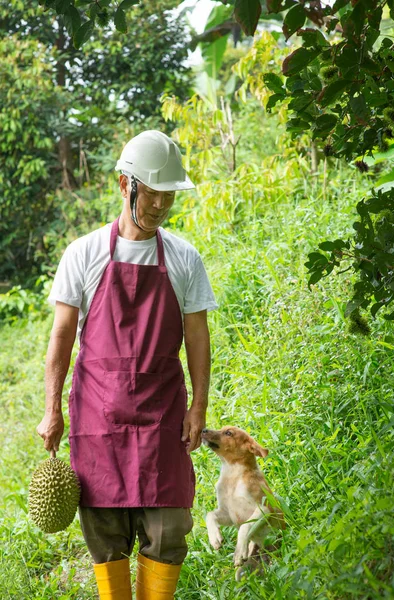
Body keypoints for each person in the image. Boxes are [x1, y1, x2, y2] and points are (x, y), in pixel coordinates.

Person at [36, 130, 218, 599]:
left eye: (168, 196)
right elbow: (61, 338)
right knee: (105, 536)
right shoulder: (84, 254)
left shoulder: (183, 258)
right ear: (125, 185)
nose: (160, 204)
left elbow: (197, 337)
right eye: (152, 193)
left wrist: (199, 407)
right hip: (100, 417)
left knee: (169, 530)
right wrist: (52, 408)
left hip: (164, 419)